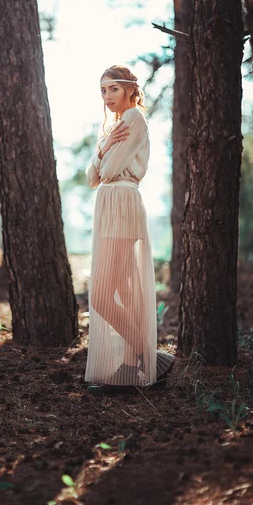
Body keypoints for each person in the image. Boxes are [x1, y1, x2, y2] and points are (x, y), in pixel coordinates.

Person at [84, 64, 174, 395]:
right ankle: (132, 365)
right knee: (114, 292)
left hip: (122, 203)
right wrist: (104, 145)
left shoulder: (134, 118)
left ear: (129, 90)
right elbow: (91, 176)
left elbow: (105, 173)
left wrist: (104, 153)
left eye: (113, 89)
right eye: (103, 90)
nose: (108, 96)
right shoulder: (110, 128)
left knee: (101, 295)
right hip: (110, 206)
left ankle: (151, 358)